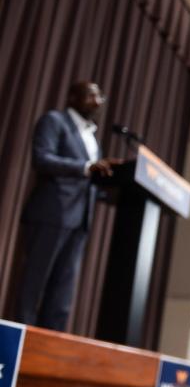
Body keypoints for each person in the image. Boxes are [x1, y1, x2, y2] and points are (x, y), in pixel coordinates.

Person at [17, 81, 121, 331]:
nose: (97, 101)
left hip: (80, 221)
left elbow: (88, 183)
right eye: (91, 95)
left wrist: (113, 195)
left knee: (62, 293)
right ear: (73, 97)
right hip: (51, 214)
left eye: (100, 97)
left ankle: (48, 352)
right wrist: (85, 168)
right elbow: (42, 158)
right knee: (34, 285)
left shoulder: (92, 137)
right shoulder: (55, 121)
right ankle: (16, 349)